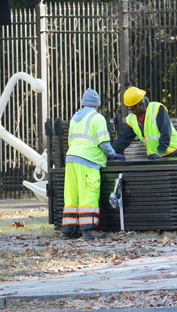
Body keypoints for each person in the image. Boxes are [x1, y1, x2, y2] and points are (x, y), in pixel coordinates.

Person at [61, 88, 125, 240]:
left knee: (71, 196)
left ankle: (68, 231)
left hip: (71, 160)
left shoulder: (75, 118)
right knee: (88, 195)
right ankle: (88, 231)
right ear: (97, 105)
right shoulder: (97, 118)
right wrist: (113, 154)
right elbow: (103, 142)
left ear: (83, 103)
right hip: (88, 161)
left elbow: (70, 140)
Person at [113, 86, 177, 159]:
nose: (131, 112)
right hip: (155, 156)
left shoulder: (157, 109)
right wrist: (112, 153)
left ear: (140, 104)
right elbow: (124, 139)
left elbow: (165, 132)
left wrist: (160, 152)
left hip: (173, 152)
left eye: (132, 109)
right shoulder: (132, 119)